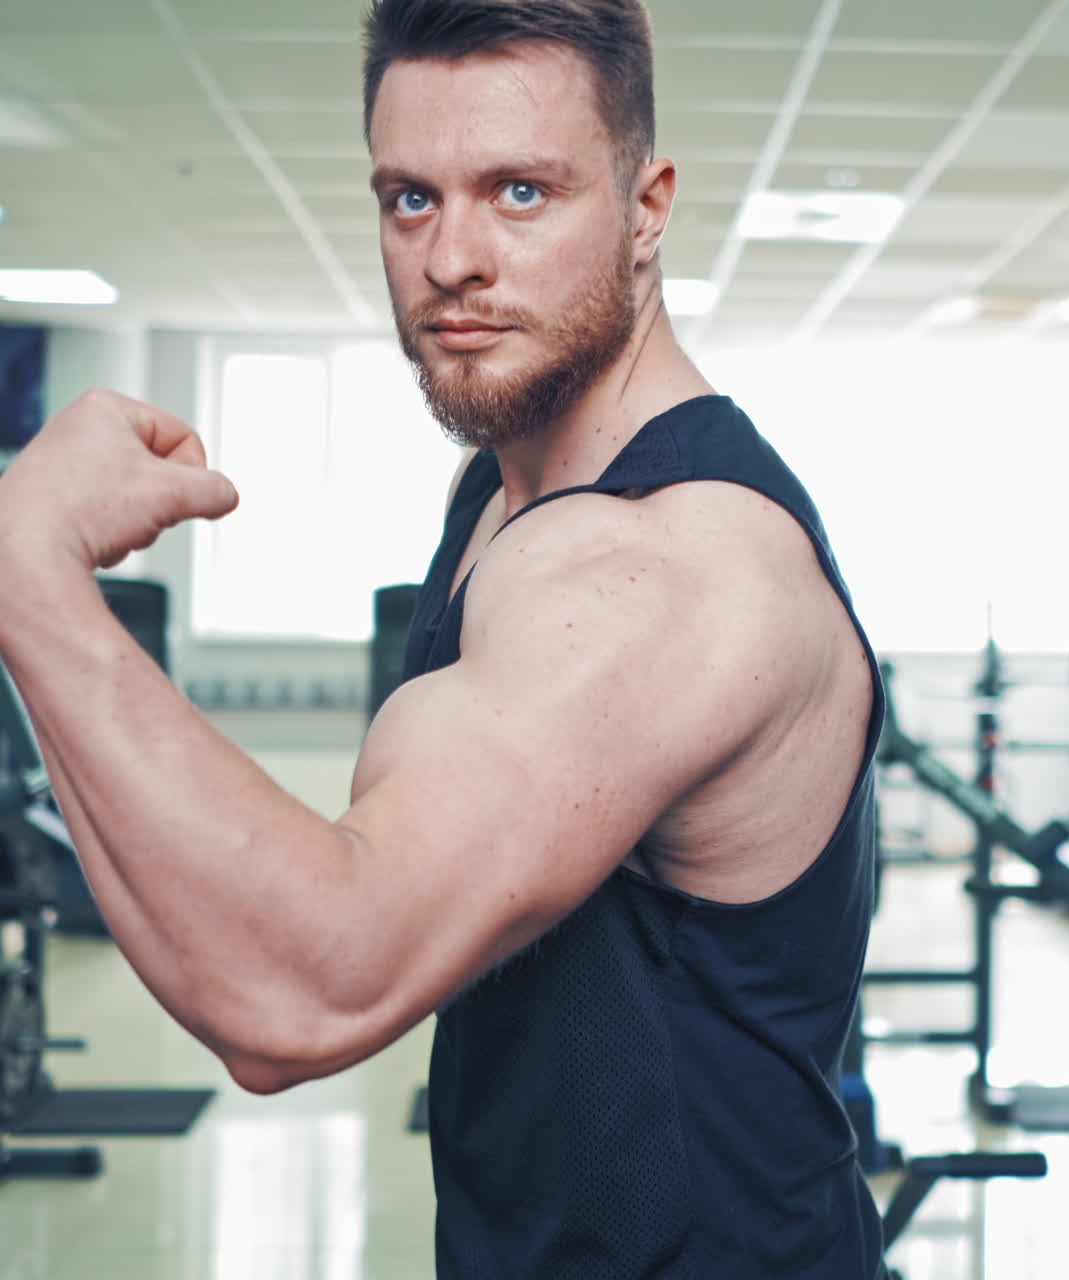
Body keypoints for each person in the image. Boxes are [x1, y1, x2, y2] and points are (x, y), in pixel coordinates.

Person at [0, 0, 886, 1274]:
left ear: (646, 208)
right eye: (410, 198)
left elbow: (302, 985)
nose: (452, 257)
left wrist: (31, 571)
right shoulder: (504, 487)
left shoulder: (663, 569)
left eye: (520, 191)